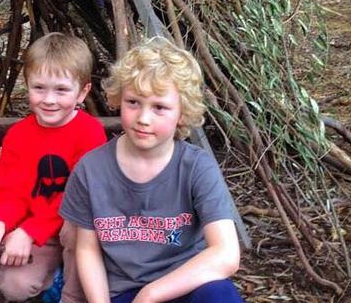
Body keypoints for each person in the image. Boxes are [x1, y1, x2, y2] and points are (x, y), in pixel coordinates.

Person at [60, 37, 243, 303]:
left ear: (181, 113)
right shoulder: (91, 169)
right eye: (133, 102)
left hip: (186, 284)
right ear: (119, 99)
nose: (143, 118)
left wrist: (151, 294)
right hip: (124, 292)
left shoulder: (196, 167)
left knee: (220, 294)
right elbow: (87, 250)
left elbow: (226, 254)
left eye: (159, 107)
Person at [0, 32, 107, 302]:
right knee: (14, 287)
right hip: (40, 229)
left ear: (83, 91)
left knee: (76, 227)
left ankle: (72, 294)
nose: (49, 100)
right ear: (26, 84)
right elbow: (11, 192)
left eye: (61, 90)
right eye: (39, 88)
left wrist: (30, 231)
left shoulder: (90, 133)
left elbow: (79, 197)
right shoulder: (18, 135)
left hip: (78, 228)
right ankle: (55, 273)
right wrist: (3, 223)